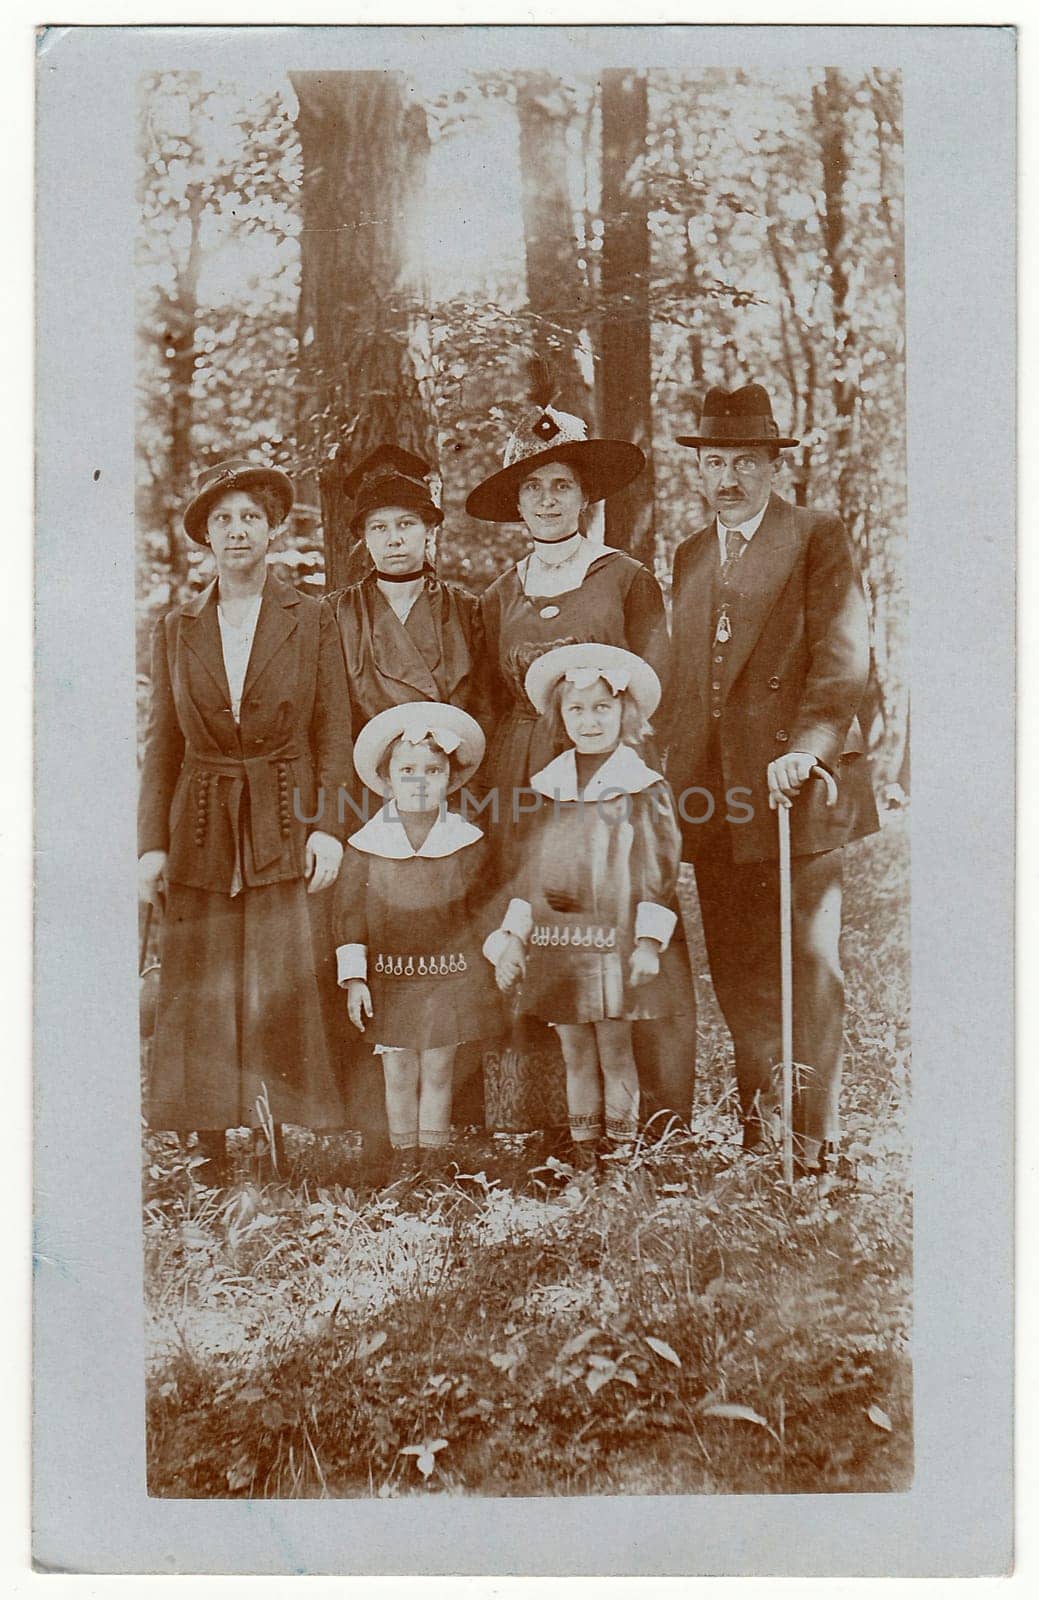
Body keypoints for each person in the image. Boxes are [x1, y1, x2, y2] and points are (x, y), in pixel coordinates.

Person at [662, 383, 879, 1174]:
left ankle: (811, 1143)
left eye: (743, 462)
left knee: (806, 969)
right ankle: (761, 1139)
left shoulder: (817, 536)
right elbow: (684, 681)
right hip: (717, 797)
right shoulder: (689, 553)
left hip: (798, 787)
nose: (727, 478)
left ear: (769, 466)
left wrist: (812, 747)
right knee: (741, 970)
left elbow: (843, 654)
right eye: (714, 462)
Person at [466, 384, 693, 1135]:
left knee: (623, 932)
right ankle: (549, 1126)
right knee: (539, 928)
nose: (546, 501)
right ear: (518, 503)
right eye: (532, 488)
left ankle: (652, 1125)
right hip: (526, 779)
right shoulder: (500, 593)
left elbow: (660, 689)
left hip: (612, 779)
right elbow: (494, 698)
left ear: (586, 496)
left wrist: (637, 782)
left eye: (561, 486)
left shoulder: (626, 577)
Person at [138, 459, 354, 1183]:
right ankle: (208, 1143)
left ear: (272, 533)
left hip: (284, 809)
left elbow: (333, 727)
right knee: (201, 976)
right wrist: (149, 848)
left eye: (250, 519)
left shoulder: (311, 616)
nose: (237, 531)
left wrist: (327, 825)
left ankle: (274, 1135)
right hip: (199, 817)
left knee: (277, 972)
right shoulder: (177, 627)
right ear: (206, 538)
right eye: (223, 520)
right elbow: (162, 743)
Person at [485, 645, 689, 1167]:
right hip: (560, 941)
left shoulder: (643, 786)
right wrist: (514, 935)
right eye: (577, 710)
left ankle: (620, 1160)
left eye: (603, 708)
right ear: (560, 716)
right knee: (575, 1049)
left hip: (614, 939)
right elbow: (530, 872)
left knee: (615, 1047)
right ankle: (582, 1158)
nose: (590, 720)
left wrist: (648, 942)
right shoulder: (548, 786)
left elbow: (658, 870)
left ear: (625, 713)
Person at [334, 703, 500, 1176]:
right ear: (386, 780)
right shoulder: (367, 847)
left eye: (433, 770)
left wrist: (490, 962)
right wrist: (355, 979)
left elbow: (482, 911)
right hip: (392, 981)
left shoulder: (466, 842)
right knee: (399, 1071)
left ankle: (434, 1163)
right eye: (407, 770)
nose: (420, 780)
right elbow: (348, 916)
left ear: (450, 778)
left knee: (441, 1070)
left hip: (449, 980)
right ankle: (404, 1163)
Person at [326, 444, 486, 797]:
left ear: (429, 529)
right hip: (366, 787)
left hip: (451, 783)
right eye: (379, 527)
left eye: (406, 524)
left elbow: (486, 709)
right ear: (363, 537)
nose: (394, 539)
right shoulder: (335, 614)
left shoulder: (467, 610)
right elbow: (328, 722)